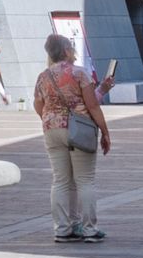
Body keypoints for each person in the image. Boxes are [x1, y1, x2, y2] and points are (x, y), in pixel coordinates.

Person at [33, 33, 112, 242]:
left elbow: (37, 104)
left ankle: (62, 229)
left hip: (52, 130)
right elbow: (91, 105)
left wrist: (50, 118)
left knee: (60, 181)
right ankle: (89, 229)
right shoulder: (79, 73)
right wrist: (105, 131)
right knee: (85, 180)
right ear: (67, 51)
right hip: (79, 129)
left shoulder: (43, 76)